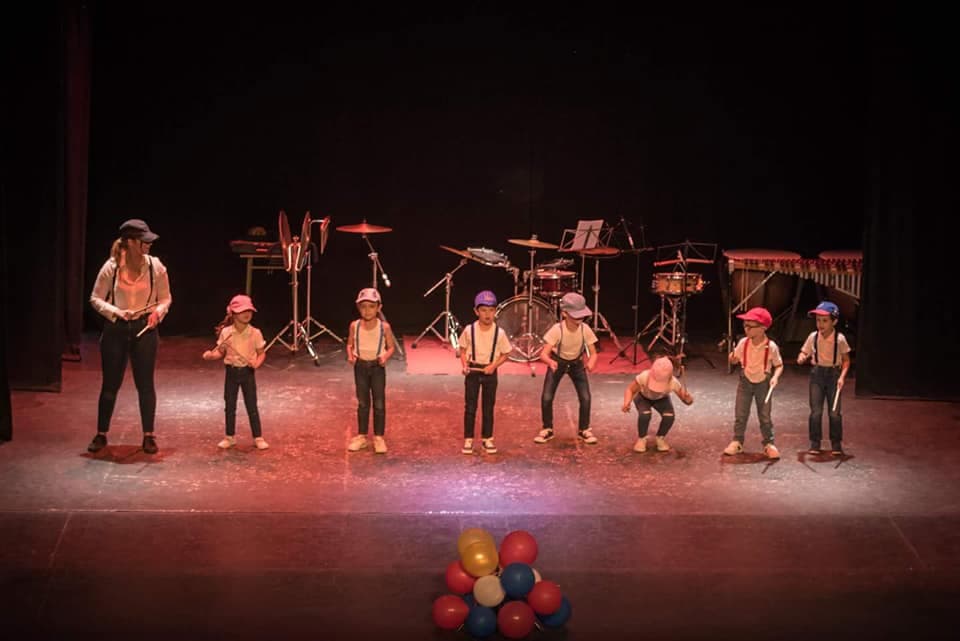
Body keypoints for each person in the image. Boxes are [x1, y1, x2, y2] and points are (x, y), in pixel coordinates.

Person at [88, 219, 172, 455]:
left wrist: (158, 312)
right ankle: (101, 433)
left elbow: (166, 298)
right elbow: (95, 298)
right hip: (116, 329)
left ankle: (149, 435)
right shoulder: (112, 267)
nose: (148, 245)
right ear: (131, 243)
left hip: (145, 329)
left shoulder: (155, 267)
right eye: (143, 241)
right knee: (110, 384)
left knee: (145, 384)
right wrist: (116, 312)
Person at [202, 294, 269, 450]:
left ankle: (258, 436)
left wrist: (257, 363)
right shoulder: (226, 333)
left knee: (251, 405)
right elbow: (220, 352)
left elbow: (261, 353)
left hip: (247, 373)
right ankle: (229, 436)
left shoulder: (255, 333)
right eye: (242, 311)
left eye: (249, 311)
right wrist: (211, 356)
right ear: (233, 313)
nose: (247, 314)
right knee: (230, 405)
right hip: (231, 372)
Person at [534, 292, 599, 445]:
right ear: (564, 314)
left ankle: (584, 429)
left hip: (577, 364)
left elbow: (594, 353)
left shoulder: (585, 329)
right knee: (547, 397)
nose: (580, 319)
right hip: (558, 362)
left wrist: (591, 363)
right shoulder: (557, 329)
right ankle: (547, 428)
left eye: (581, 316)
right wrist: (550, 362)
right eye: (576, 316)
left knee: (585, 397)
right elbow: (543, 353)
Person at [723, 306, 784, 459]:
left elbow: (779, 365)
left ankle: (769, 443)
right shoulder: (744, 343)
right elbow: (735, 358)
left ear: (762, 328)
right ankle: (737, 441)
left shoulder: (771, 347)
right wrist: (732, 358)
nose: (746, 329)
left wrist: (775, 377)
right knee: (741, 413)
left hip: (763, 382)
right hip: (745, 381)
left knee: (764, 416)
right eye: (745, 325)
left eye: (750, 326)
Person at [458, 290, 514, 454]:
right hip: (473, 371)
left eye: (491, 310)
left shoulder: (499, 332)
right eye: (483, 310)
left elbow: (506, 353)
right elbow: (462, 350)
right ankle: (468, 439)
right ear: (476, 311)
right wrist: (464, 365)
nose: (487, 314)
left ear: (495, 311)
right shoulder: (469, 330)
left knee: (488, 407)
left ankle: (487, 438)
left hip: (490, 372)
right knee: (470, 407)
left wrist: (494, 366)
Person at [346, 288, 396, 454]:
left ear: (379, 307)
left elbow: (391, 347)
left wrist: (385, 357)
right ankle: (361, 436)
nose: (367, 310)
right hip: (360, 367)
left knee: (379, 403)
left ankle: (379, 437)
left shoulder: (384, 327)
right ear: (358, 308)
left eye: (371, 306)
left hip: (376, 368)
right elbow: (350, 344)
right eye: (363, 306)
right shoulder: (355, 326)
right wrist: (350, 355)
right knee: (362, 402)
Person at [797, 301, 852, 455]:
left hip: (833, 375)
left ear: (834, 321)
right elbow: (804, 351)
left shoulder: (839, 339)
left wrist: (842, 377)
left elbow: (846, 360)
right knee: (816, 411)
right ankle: (815, 443)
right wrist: (802, 357)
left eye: (824, 320)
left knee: (834, 412)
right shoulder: (813, 337)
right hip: (817, 375)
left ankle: (836, 444)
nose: (820, 324)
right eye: (818, 320)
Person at [622, 355, 694, 452]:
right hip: (643, 398)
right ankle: (641, 438)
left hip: (662, 399)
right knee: (645, 414)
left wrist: (688, 399)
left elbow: (687, 402)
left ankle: (660, 438)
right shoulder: (644, 376)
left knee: (669, 416)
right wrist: (627, 402)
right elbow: (630, 389)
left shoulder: (673, 383)